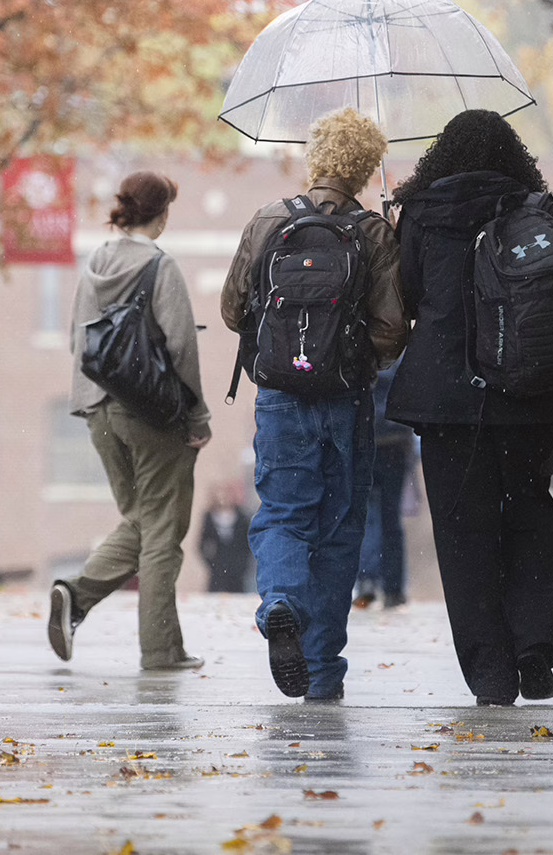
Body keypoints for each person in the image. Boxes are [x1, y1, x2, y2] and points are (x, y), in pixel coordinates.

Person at [386, 109, 553, 706]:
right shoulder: (535, 207)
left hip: (449, 399)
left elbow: (408, 296)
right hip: (529, 392)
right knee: (529, 514)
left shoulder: (422, 212)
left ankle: (490, 673)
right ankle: (534, 648)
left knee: (464, 533)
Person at [221, 107, 406, 700]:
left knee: (281, 512)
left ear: (316, 156)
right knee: (339, 530)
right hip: (346, 402)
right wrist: (347, 353)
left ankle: (279, 602)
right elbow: (393, 329)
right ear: (365, 166)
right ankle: (323, 670)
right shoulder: (372, 232)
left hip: (278, 396)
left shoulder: (268, 220)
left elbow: (231, 310)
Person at [49, 171, 211, 672]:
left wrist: (90, 401)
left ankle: (81, 601)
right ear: (161, 214)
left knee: (143, 520)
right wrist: (197, 414)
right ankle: (155, 649)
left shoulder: (95, 262)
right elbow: (181, 346)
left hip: (98, 411)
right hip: (149, 412)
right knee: (162, 534)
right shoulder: (160, 267)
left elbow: (79, 340)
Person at [354, 364, 416, 609]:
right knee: (391, 517)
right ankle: (393, 587)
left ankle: (367, 579)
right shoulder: (400, 348)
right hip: (395, 440)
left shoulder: (359, 341)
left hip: (366, 438)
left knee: (365, 513)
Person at [198, 485, 253, 593]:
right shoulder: (209, 517)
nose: (224, 498)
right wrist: (211, 561)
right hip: (217, 569)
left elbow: (248, 543)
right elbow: (202, 543)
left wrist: (243, 563)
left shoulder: (242, 517)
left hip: (237, 571)